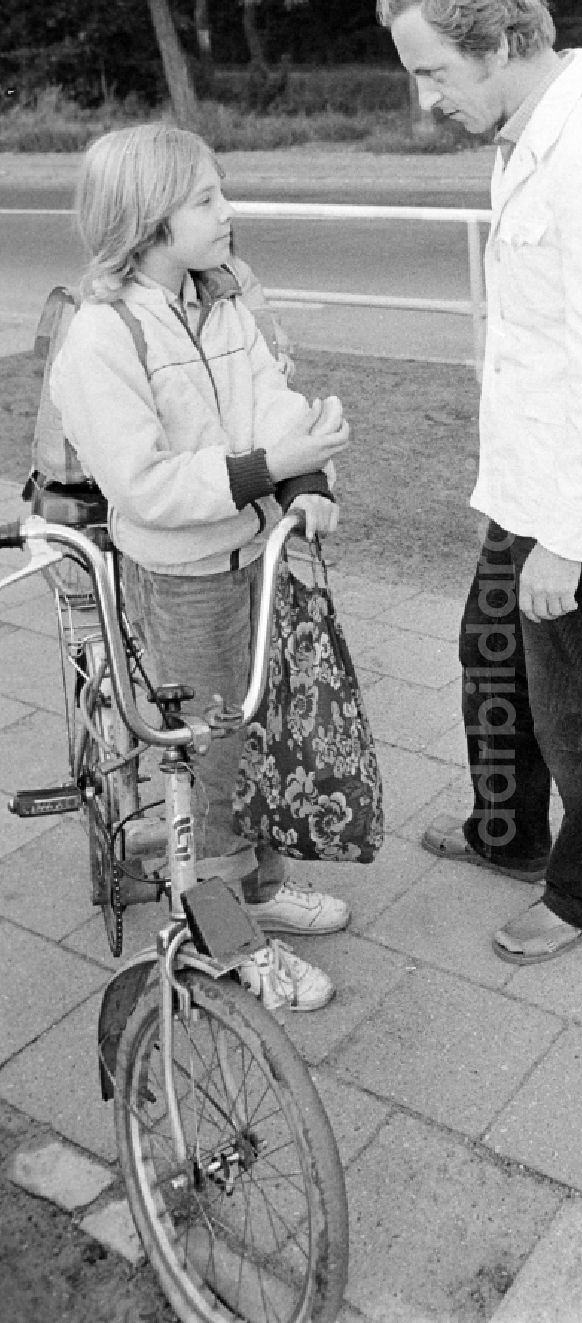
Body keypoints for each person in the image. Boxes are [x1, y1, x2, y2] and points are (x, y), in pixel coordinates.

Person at [376, 0, 582, 965]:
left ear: (502, 39)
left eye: (433, 73)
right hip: (527, 481)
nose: (428, 100)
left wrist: (566, 538)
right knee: (493, 663)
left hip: (576, 502)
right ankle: (506, 834)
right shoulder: (531, 135)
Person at [50, 123, 351, 1011]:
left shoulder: (219, 303)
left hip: (250, 553)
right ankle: (227, 940)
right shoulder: (103, 338)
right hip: (183, 581)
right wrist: (268, 469)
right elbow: (143, 487)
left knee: (251, 738)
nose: (229, 213)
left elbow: (270, 401)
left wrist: (306, 470)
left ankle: (252, 887)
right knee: (208, 760)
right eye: (207, 200)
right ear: (148, 222)